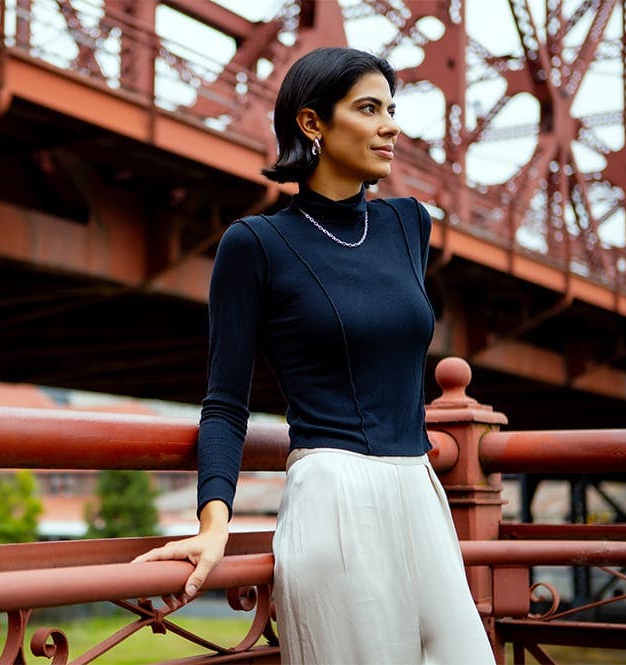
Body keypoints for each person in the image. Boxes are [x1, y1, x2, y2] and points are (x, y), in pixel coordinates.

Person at [134, 46, 494, 664]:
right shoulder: (256, 244)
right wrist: (213, 525)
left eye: (391, 109)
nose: (391, 127)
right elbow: (225, 403)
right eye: (369, 109)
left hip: (420, 489)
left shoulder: (409, 225)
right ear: (312, 122)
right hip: (333, 498)